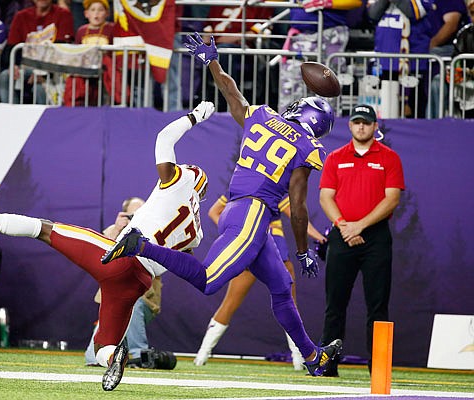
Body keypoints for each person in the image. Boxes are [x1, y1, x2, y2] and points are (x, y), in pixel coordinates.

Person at [103, 32, 342, 377]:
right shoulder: (309, 147)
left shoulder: (263, 116)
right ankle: (140, 244)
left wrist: (211, 60)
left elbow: (231, 92)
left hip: (237, 208)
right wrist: (303, 250)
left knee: (281, 288)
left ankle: (313, 358)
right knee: (209, 280)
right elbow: (299, 206)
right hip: (254, 214)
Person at [0, 101, 214, 391]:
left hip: (120, 257)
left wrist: (195, 116)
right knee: (102, 347)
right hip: (139, 282)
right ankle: (114, 360)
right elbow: (181, 260)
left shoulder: (175, 180)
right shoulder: (196, 232)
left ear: (186, 175)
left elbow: (164, 137)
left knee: (43, 229)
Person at [318, 104, 405, 377]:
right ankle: (328, 366)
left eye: (366, 123)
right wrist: (345, 227)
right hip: (342, 235)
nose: (361, 127)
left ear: (374, 126)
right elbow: (325, 197)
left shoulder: (389, 157)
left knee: (378, 305)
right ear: (350, 126)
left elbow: (392, 199)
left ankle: (379, 370)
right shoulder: (335, 157)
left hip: (376, 237)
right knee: (335, 304)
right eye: (357, 122)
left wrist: (359, 226)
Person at [194, 194, 327, 370]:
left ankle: (201, 356)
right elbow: (297, 217)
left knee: (229, 304)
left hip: (250, 246)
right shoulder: (273, 187)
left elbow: (213, 212)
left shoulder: (240, 190)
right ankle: (300, 360)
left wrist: (235, 232)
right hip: (274, 249)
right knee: (288, 304)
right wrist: (321, 238)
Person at [84, 196, 165, 365]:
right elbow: (99, 260)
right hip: (111, 301)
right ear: (124, 215)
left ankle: (138, 355)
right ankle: (118, 355)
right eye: (132, 215)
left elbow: (159, 266)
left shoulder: (156, 234)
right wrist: (118, 232)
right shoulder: (112, 231)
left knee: (130, 300)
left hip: (143, 301)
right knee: (92, 358)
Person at [278, 0, 361, 111]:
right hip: (298, 37)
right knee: (289, 95)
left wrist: (326, 2)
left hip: (330, 35)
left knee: (327, 97)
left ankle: (329, 127)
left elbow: (356, 1)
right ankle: (287, 126)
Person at [366, 0, 433, 118]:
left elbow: (413, 11)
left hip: (413, 60)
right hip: (384, 57)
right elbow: (372, 14)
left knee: (413, 111)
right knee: (385, 111)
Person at [0, 0, 74, 104]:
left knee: (39, 89)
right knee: (5, 76)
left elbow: (62, 51)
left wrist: (43, 73)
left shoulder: (63, 15)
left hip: (53, 71)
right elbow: (11, 48)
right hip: (25, 67)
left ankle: (45, 119)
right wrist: (13, 65)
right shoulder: (21, 16)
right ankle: (11, 115)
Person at [63, 0, 114, 107]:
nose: (96, 13)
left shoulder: (111, 29)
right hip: (85, 70)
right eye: (93, 10)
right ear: (86, 14)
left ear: (107, 13)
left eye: (100, 10)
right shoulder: (82, 30)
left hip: (105, 71)